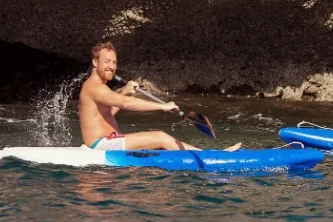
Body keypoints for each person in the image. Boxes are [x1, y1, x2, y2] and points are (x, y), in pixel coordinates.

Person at [79, 41, 241, 151]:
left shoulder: (98, 87)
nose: (112, 67)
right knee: (160, 137)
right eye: (107, 61)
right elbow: (127, 104)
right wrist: (162, 106)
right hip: (101, 145)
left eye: (114, 63)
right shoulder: (95, 87)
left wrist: (125, 90)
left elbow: (107, 113)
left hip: (108, 142)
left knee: (160, 142)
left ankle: (204, 153)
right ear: (95, 62)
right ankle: (211, 156)